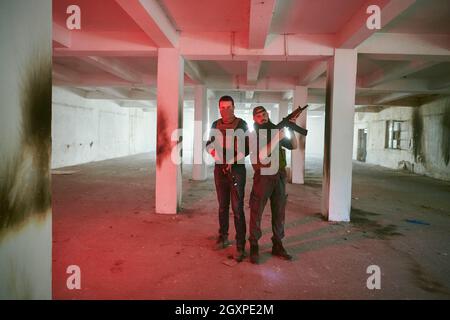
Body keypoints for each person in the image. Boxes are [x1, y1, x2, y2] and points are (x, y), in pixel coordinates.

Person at [248, 105, 300, 264]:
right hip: (263, 176)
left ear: (267, 114)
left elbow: (294, 146)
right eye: (258, 116)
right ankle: (254, 245)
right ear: (254, 119)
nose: (262, 117)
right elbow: (261, 155)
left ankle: (278, 244)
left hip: (279, 175)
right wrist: (276, 137)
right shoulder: (253, 135)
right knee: (256, 211)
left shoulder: (275, 129)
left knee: (279, 212)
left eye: (263, 114)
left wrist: (291, 128)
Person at [206, 95, 249, 262]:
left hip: (237, 169)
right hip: (219, 169)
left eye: (228, 107)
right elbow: (208, 144)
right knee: (223, 206)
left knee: (237, 209)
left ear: (234, 107)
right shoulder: (215, 124)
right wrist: (216, 155)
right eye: (222, 108)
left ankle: (240, 246)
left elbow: (246, 148)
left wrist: (231, 160)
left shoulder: (242, 124)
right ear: (219, 109)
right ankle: (223, 237)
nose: (225, 111)